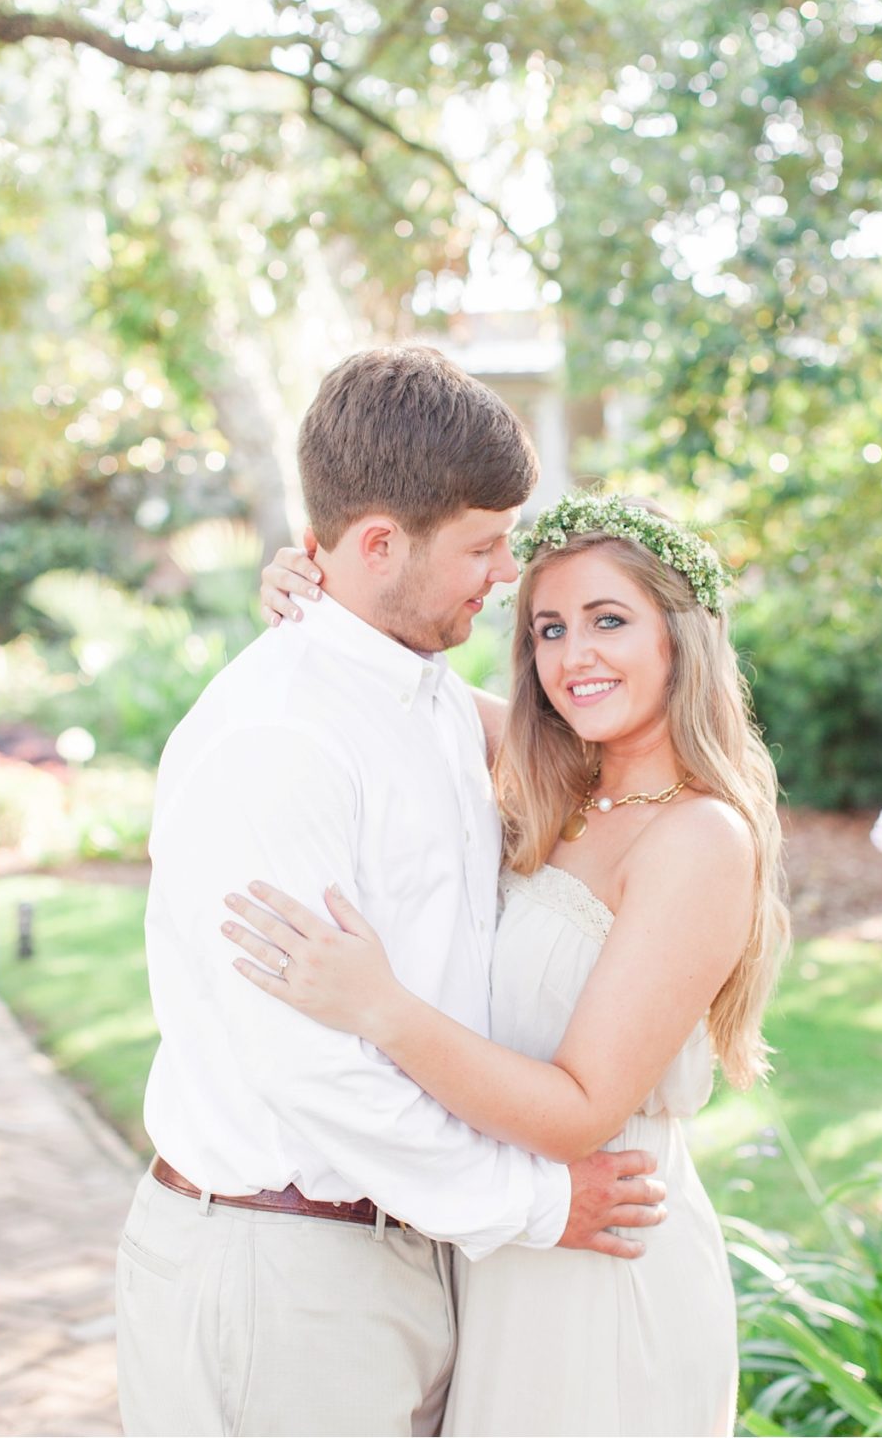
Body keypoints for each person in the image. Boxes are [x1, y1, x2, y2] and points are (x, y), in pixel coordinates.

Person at [116, 346, 672, 1438]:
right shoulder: (280, 739)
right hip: (284, 1278)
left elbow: (607, 768)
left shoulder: (417, 694)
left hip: (399, 1255)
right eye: (480, 543)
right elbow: (313, 1073)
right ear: (377, 544)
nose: (504, 571)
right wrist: (538, 1202)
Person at [238, 488, 789, 1434]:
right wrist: (312, 595)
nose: (574, 656)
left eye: (609, 620)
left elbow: (580, 1110)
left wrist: (382, 1007)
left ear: (679, 636)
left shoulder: (699, 838)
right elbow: (400, 682)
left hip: (604, 1261)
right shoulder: (562, 781)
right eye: (547, 628)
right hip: (509, 1246)